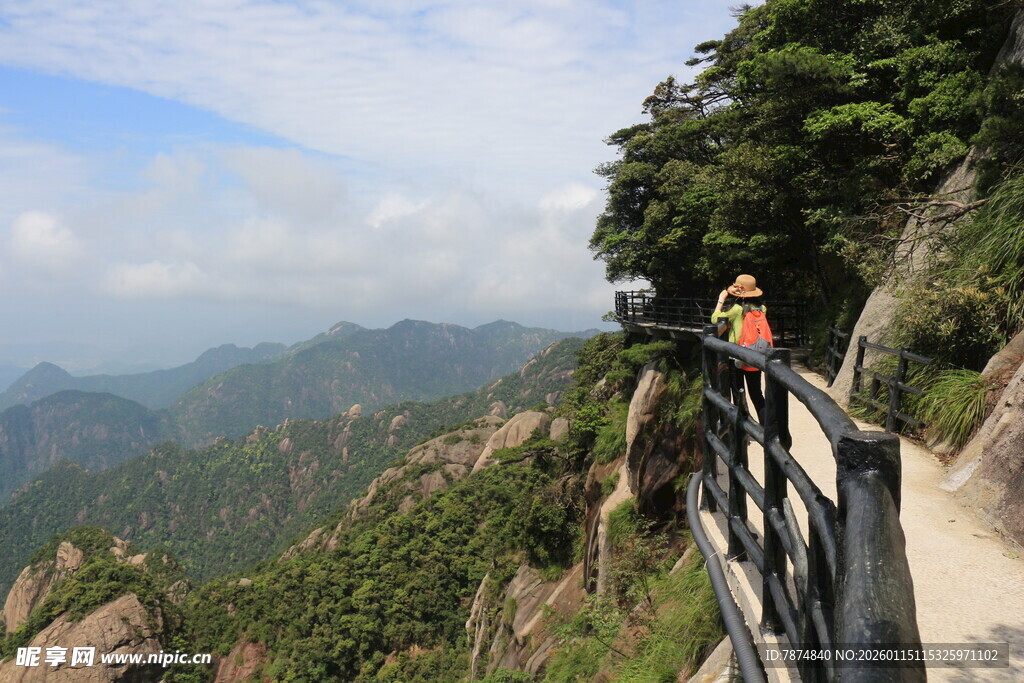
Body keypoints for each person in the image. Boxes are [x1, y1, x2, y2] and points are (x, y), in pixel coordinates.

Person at [712, 274, 766, 423]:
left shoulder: (736, 309)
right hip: (755, 354)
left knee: (738, 393)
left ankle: (742, 427)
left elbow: (715, 319)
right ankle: (767, 428)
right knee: (756, 393)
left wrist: (721, 299)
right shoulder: (762, 308)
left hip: (736, 355)